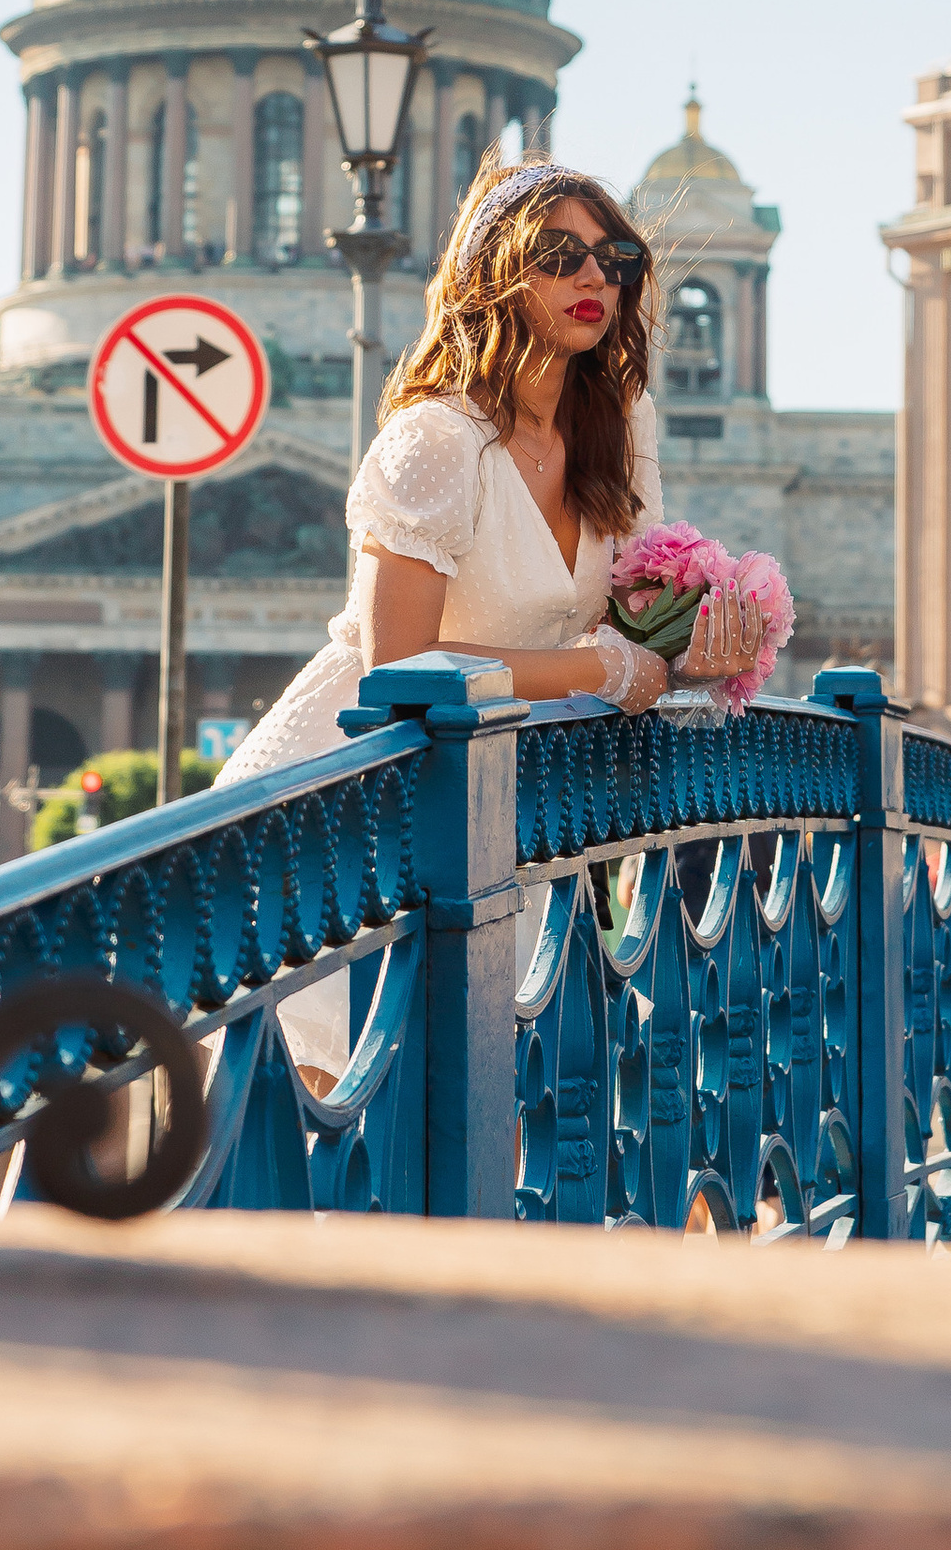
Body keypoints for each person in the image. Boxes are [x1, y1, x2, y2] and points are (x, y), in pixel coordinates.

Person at [217, 159, 764, 1081]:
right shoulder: (435, 440)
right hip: (343, 815)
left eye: (614, 255)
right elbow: (400, 670)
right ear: (495, 276)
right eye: (560, 255)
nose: (595, 277)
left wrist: (701, 647)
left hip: (492, 811)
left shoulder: (621, 427)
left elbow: (630, 620)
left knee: (489, 1122)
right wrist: (602, 671)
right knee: (336, 1142)